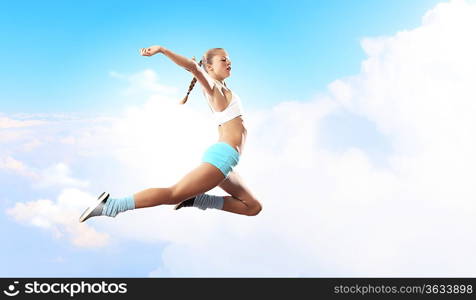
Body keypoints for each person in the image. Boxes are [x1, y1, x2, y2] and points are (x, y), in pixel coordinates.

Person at [79, 46, 262, 223]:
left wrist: (194, 67)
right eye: (223, 60)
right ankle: (111, 205)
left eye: (229, 59)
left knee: (253, 207)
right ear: (209, 67)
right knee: (173, 194)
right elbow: (193, 68)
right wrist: (162, 50)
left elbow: (194, 67)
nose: (229, 62)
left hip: (227, 159)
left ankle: (195, 199)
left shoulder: (224, 87)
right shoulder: (214, 89)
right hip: (223, 157)